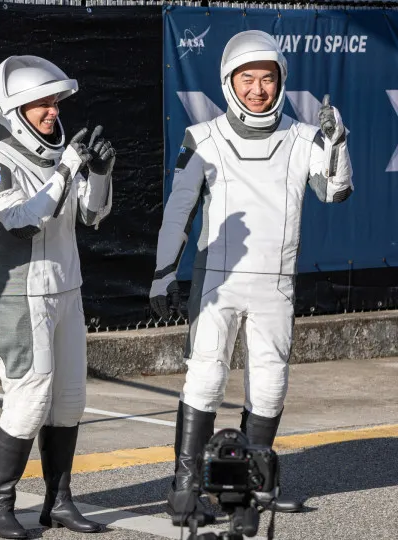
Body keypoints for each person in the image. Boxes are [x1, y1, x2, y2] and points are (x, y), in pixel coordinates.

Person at [150, 30, 353, 524]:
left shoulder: (304, 137)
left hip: (274, 285)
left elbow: (334, 191)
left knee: (269, 385)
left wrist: (337, 143)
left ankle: (251, 488)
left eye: (267, 78)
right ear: (228, 81)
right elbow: (177, 213)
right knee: (205, 379)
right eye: (247, 78)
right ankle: (185, 489)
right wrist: (162, 275)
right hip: (216, 283)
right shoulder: (202, 137)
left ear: (281, 81)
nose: (258, 89)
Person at [0, 55, 115, 538]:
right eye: (42, 104)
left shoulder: (60, 157)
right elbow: (23, 221)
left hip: (66, 288)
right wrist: (69, 167)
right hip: (19, 293)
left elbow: (93, 216)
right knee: (29, 399)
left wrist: (100, 172)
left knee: (69, 401)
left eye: (55, 103)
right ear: (13, 112)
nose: (53, 111)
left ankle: (59, 502)